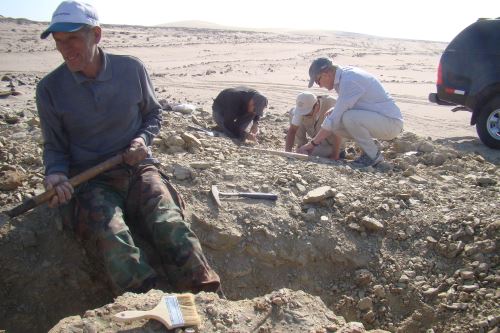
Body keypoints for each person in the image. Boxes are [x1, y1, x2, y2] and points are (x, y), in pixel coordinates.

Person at [36, 0, 220, 295]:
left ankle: (207, 298)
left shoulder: (131, 69)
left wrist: (142, 141)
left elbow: (153, 114)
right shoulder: (50, 89)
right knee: (114, 238)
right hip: (91, 179)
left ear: (96, 35)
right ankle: (148, 307)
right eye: (58, 41)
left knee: (170, 223)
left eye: (72, 38)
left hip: (137, 168)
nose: (65, 49)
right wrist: (56, 174)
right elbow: (55, 146)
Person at [298, 57, 404, 166]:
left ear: (326, 74)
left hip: (391, 123)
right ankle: (370, 148)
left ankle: (373, 156)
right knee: (338, 123)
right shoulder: (343, 78)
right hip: (380, 120)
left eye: (317, 81)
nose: (319, 85)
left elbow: (334, 119)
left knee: (348, 118)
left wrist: (312, 144)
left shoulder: (349, 80)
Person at [285, 92, 341, 159]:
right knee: (292, 112)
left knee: (310, 153)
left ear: (316, 105)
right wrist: (287, 153)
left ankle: (339, 151)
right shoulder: (303, 106)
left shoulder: (332, 104)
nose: (305, 116)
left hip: (333, 142)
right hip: (316, 139)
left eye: (307, 114)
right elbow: (292, 130)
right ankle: (302, 146)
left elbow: (339, 132)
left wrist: (335, 155)